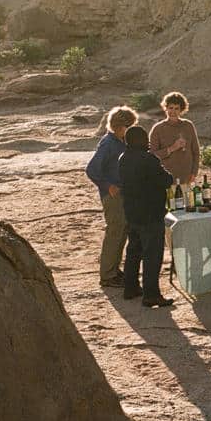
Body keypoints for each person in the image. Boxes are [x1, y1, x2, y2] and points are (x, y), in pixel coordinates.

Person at [117, 124, 176, 308]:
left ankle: (131, 287)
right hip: (151, 213)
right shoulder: (148, 159)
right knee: (152, 255)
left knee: (134, 251)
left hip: (132, 212)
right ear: (143, 140)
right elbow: (166, 180)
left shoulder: (123, 158)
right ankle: (151, 294)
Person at [85, 105, 137, 287]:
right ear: (119, 126)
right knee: (115, 233)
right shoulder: (108, 144)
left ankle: (114, 270)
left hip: (123, 195)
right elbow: (91, 169)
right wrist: (108, 186)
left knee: (122, 232)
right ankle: (107, 275)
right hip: (113, 197)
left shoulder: (119, 142)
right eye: (128, 127)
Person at [148, 91, 200, 191]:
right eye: (171, 108)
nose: (173, 111)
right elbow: (152, 157)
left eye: (177, 108)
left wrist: (194, 173)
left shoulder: (188, 126)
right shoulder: (158, 129)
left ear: (181, 110)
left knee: (186, 206)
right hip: (166, 179)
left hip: (186, 178)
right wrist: (172, 148)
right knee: (170, 206)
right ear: (165, 108)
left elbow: (196, 152)